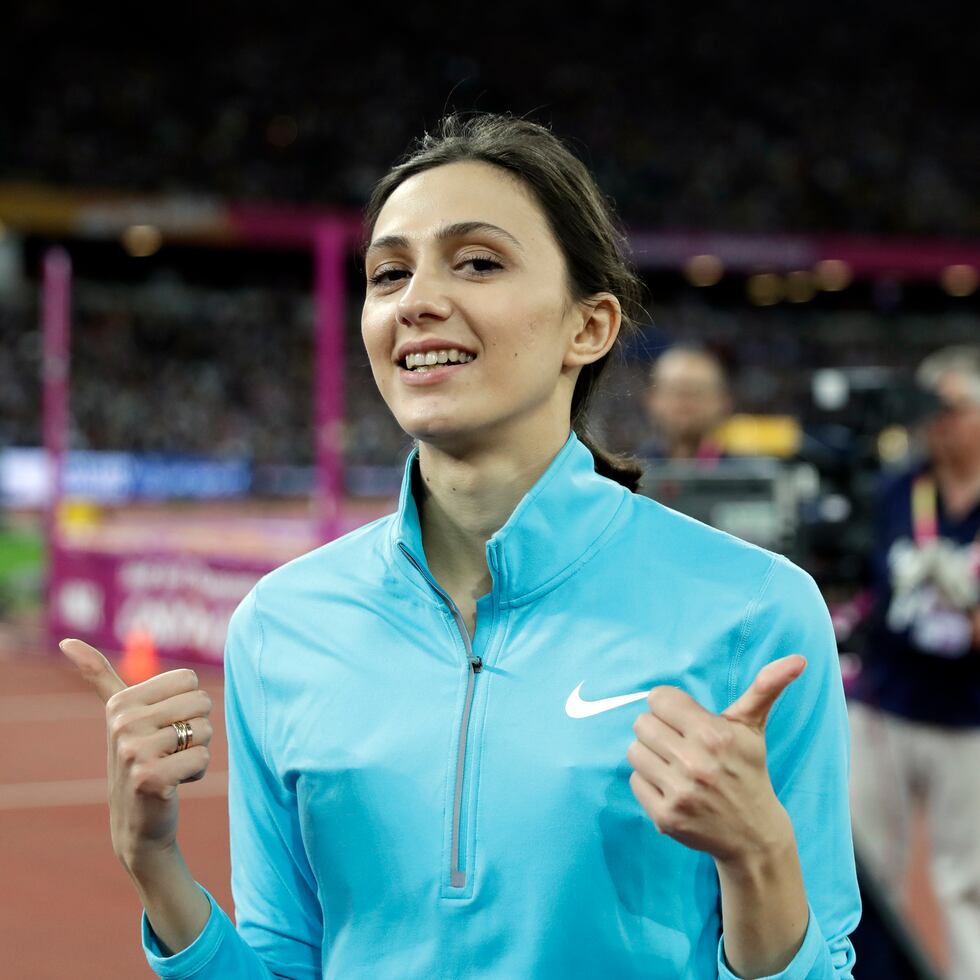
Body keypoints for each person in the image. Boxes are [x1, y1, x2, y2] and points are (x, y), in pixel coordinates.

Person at [61, 113, 860, 979]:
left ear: (587, 328)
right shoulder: (280, 624)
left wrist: (760, 858)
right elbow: (285, 962)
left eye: (477, 261)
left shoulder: (753, 609)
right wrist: (156, 869)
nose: (417, 302)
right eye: (389, 273)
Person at [848, 345, 980, 980]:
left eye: (952, 408)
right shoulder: (900, 484)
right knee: (865, 866)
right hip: (887, 700)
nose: (938, 422)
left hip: (970, 713)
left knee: (966, 882)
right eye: (931, 409)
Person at [639, 344, 733, 463]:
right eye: (674, 391)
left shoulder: (749, 478)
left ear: (723, 401)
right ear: (652, 399)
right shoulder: (626, 475)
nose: (685, 403)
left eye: (697, 392)